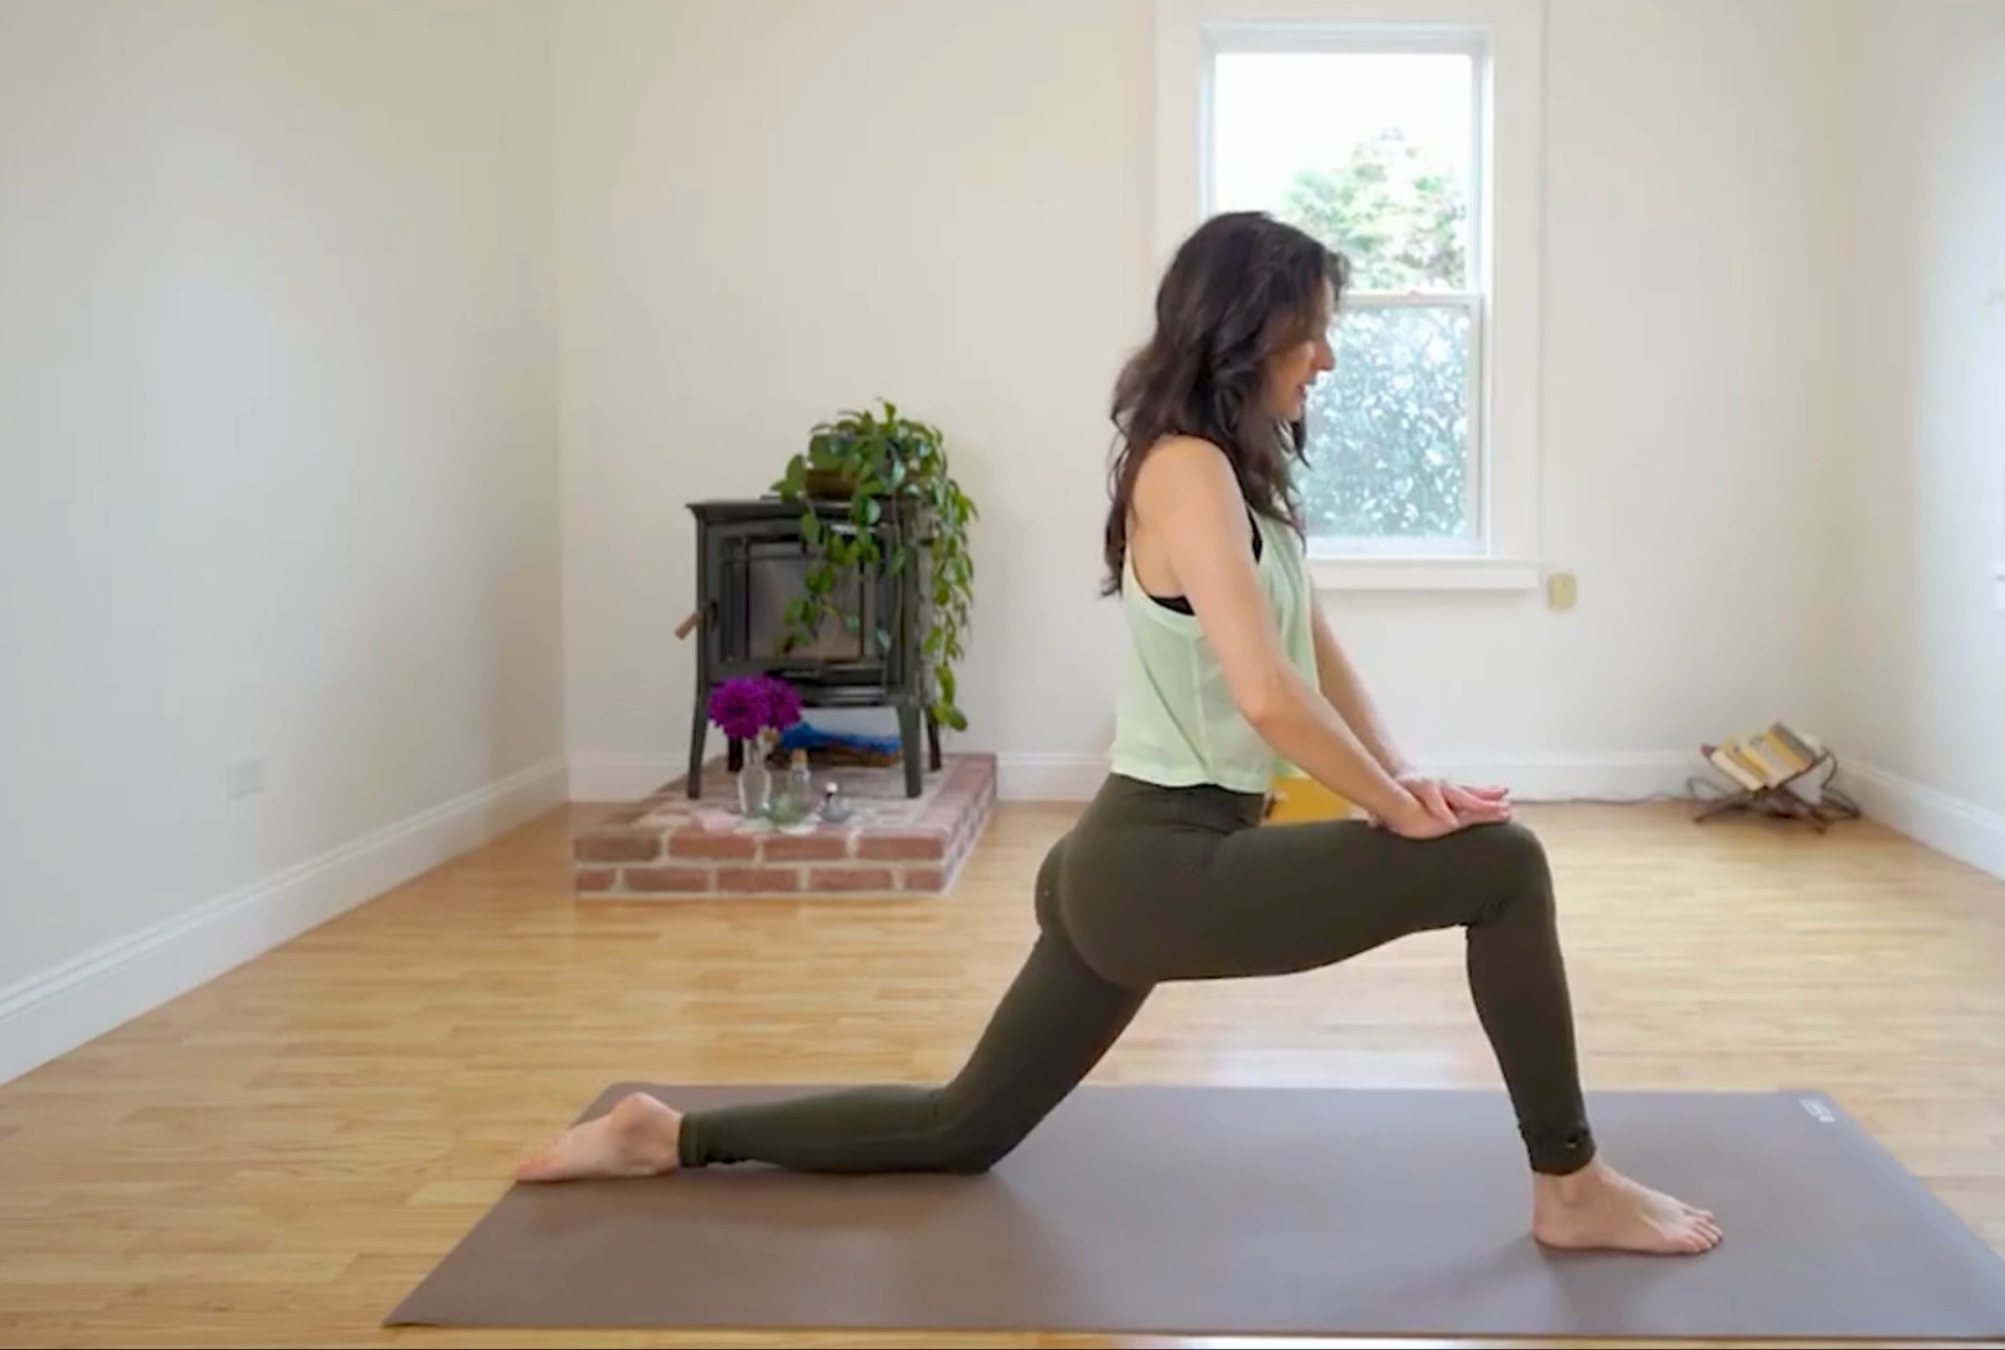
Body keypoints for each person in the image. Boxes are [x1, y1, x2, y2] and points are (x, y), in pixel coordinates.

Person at [514, 211, 1721, 1256]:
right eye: (1311, 331)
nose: (1329, 357)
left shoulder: (1236, 478)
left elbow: (1311, 650)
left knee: (961, 1129)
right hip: (1163, 864)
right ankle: (1570, 1186)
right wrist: (1400, 815)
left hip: (1129, 858)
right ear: (1248, 331)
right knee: (1503, 869)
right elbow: (1264, 698)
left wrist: (1405, 775)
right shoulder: (1186, 470)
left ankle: (665, 1134)